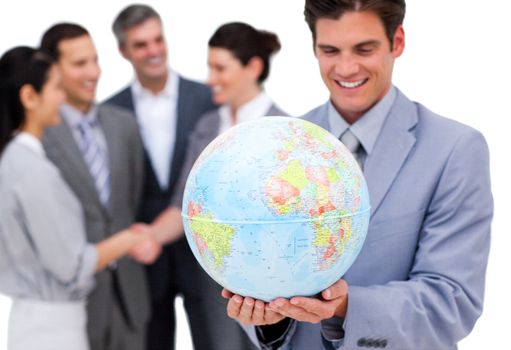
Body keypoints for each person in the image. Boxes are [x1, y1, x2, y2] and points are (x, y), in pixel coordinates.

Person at [223, 1, 493, 349]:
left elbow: (452, 301)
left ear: (397, 41)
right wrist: (268, 323)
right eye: (330, 50)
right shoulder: (280, 145)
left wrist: (345, 308)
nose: (346, 68)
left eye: (364, 49)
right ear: (314, 48)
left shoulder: (454, 149)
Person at [0, 46, 152, 350]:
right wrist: (131, 239)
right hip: (52, 329)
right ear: (30, 97)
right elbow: (72, 265)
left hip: (39, 321)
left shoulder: (13, 161)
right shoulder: (34, 170)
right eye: (56, 88)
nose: (61, 97)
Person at [146, 21, 285, 350]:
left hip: (273, 287)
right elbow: (185, 203)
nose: (210, 79)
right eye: (210, 67)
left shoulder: (286, 133)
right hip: (214, 288)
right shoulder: (207, 127)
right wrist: (149, 237)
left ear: (253, 67)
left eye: (220, 68)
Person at [104, 4, 216, 350]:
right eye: (141, 44)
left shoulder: (207, 97)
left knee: (216, 340)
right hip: (144, 257)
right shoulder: (110, 110)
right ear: (124, 51)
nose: (153, 51)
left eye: (157, 40)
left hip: (203, 250)